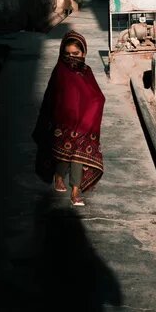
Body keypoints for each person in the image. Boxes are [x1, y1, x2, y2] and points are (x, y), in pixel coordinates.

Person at [33, 30, 105, 206]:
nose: (72, 57)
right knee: (66, 157)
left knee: (79, 155)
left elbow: (96, 96)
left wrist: (91, 110)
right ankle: (58, 176)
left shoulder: (86, 71)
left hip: (85, 121)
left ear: (84, 53)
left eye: (76, 54)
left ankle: (75, 190)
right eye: (67, 54)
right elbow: (53, 97)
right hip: (64, 121)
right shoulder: (60, 71)